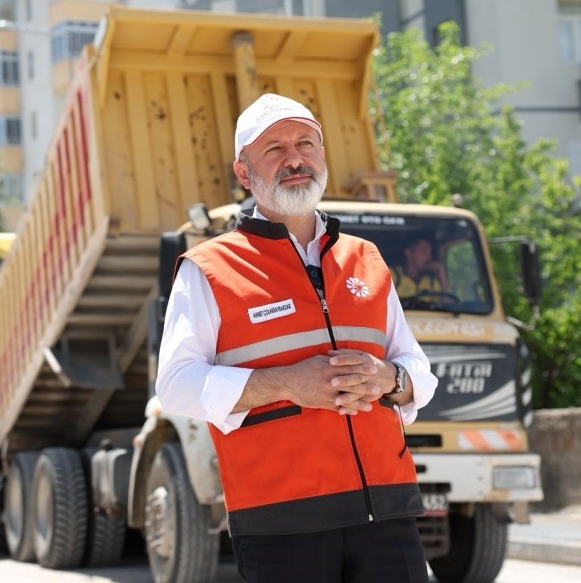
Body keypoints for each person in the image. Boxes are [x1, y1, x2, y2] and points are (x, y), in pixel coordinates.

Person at [156, 93, 438, 582]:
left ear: (322, 157)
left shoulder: (364, 257)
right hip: (281, 520)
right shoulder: (210, 268)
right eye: (275, 149)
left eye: (306, 144)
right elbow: (176, 386)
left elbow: (418, 371)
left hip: (388, 512)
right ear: (245, 174)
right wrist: (286, 382)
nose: (294, 159)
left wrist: (387, 379)